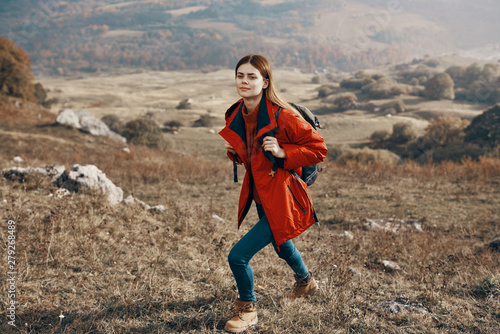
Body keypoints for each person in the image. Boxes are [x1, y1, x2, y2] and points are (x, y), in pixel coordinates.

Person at [219, 54, 328, 333]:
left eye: (252, 76)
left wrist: (282, 152)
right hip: (261, 194)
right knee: (281, 244)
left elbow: (318, 149)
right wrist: (240, 153)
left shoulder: (284, 116)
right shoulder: (236, 113)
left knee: (237, 256)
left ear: (265, 82)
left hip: (283, 197)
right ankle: (306, 282)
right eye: (240, 75)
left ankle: (247, 309)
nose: (244, 81)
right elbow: (252, 151)